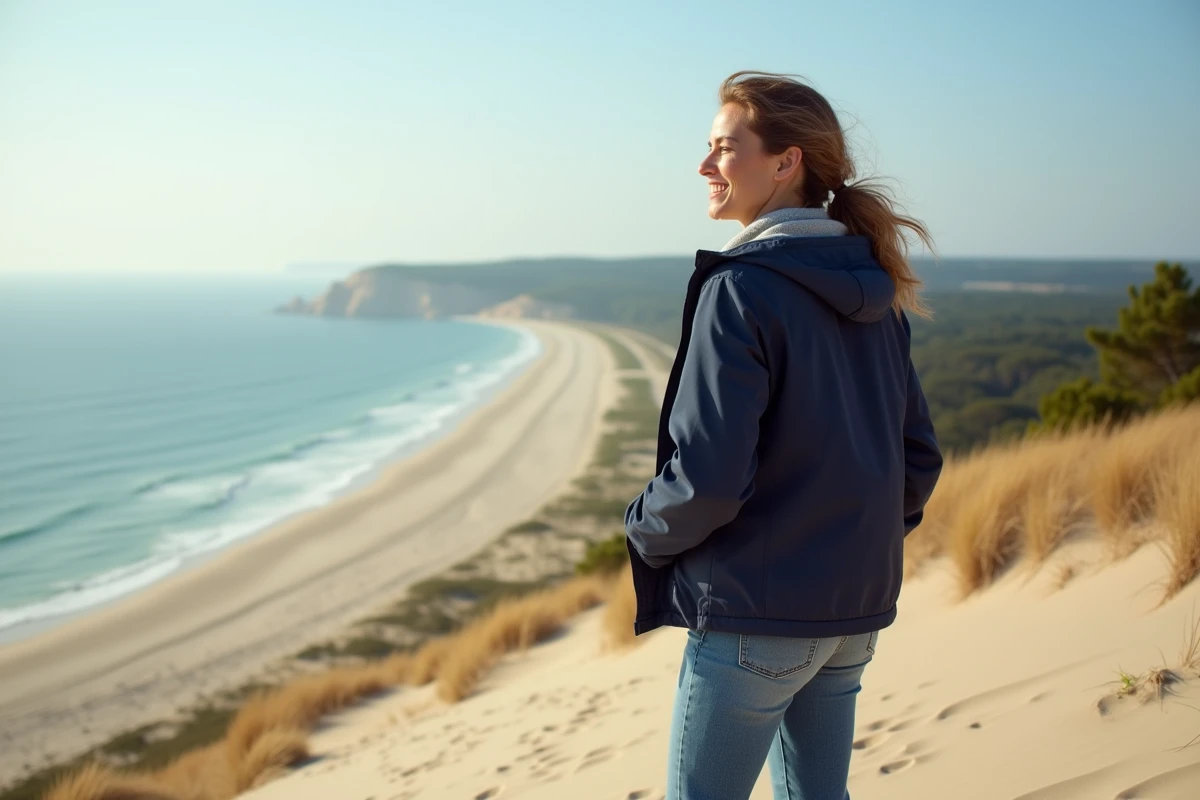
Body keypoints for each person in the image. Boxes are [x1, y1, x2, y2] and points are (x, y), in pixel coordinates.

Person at [624, 71, 944, 800]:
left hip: (754, 616)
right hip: (851, 615)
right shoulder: (877, 292)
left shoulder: (740, 288)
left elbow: (707, 478)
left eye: (724, 148)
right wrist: (850, 543)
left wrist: (642, 528)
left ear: (786, 161)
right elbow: (916, 457)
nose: (704, 166)